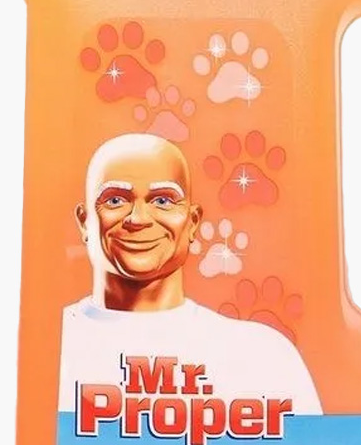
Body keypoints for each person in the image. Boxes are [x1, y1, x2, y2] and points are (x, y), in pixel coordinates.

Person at [59, 133, 322, 413]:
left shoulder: (265, 357)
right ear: (85, 222)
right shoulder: (51, 347)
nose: (138, 219)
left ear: (193, 222)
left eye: (162, 201)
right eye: (115, 200)